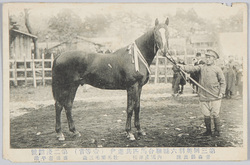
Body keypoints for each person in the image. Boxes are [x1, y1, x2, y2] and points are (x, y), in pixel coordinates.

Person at [178, 49, 226, 137]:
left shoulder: (217, 69)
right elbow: (192, 68)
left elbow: (223, 82)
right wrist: (181, 66)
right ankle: (208, 131)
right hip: (203, 96)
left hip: (215, 96)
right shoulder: (201, 67)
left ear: (214, 59)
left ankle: (217, 131)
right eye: (206, 57)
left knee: (215, 114)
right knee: (206, 114)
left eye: (210, 57)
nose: (207, 59)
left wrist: (221, 93)